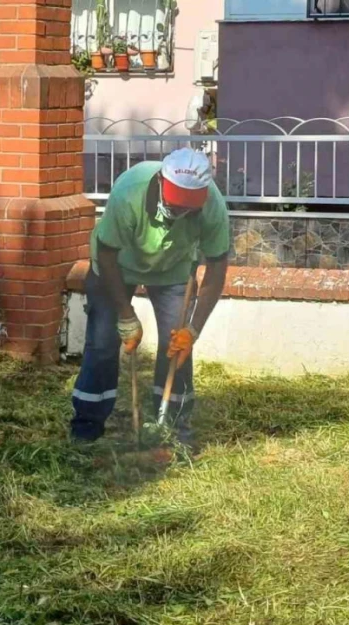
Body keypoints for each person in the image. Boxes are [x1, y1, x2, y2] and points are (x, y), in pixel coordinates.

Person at [70, 148, 230, 448]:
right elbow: (106, 255)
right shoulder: (129, 193)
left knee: (177, 348)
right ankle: (87, 423)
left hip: (173, 270)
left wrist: (193, 330)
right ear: (160, 182)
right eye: (176, 203)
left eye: (188, 207)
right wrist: (125, 314)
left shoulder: (212, 205)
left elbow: (217, 269)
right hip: (116, 267)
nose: (181, 212)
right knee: (103, 343)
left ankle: (171, 421)